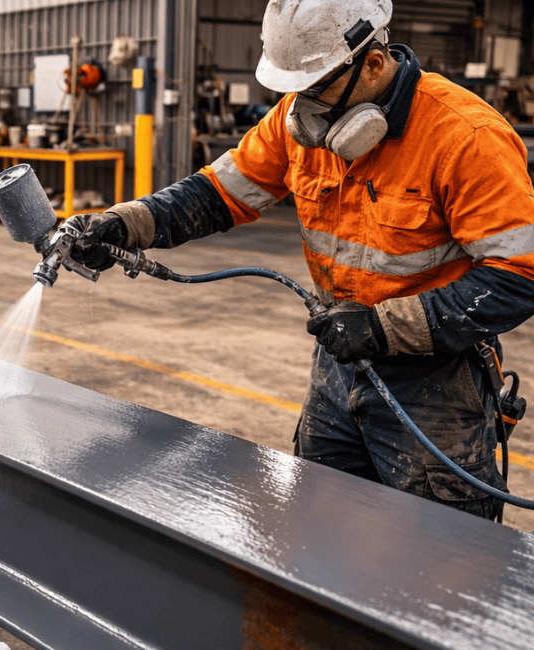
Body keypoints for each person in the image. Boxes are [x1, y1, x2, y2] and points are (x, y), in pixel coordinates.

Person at [67, 0, 534, 521]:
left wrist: (384, 328)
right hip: (337, 370)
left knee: (438, 560)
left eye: (316, 90)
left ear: (374, 65)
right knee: (316, 533)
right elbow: (217, 193)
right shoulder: (299, 124)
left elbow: (517, 278)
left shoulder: (466, 136)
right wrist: (125, 223)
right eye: (294, 92)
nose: (302, 111)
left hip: (435, 387)